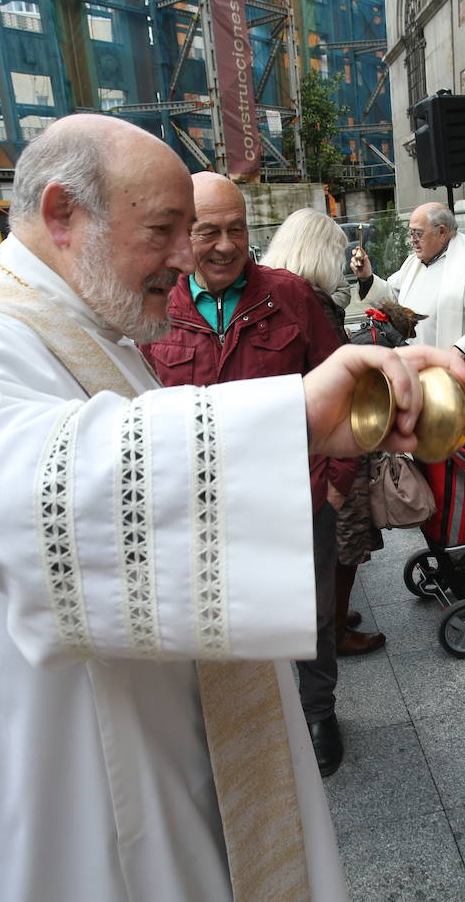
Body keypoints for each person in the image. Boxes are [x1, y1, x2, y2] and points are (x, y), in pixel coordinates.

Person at [0, 113, 465, 901]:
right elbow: (16, 498)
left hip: (148, 734)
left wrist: (322, 426)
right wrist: (287, 415)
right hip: (63, 771)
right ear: (63, 213)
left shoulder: (94, 319)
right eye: (165, 229)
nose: (187, 258)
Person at [140, 179, 359, 778]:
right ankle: (238, 721)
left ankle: (318, 713)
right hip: (198, 507)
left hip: (295, 498)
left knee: (311, 615)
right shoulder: (157, 306)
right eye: (209, 230)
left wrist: (333, 483)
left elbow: (349, 391)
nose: (226, 244)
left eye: (236, 228)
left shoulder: (290, 296)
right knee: (216, 619)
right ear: (184, 234)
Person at [261, 207, 386, 658]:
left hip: (296, 447)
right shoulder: (311, 302)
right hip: (330, 447)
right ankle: (332, 629)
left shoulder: (272, 297)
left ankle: (332, 615)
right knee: (340, 542)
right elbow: (336, 380)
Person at [351, 201, 465, 427]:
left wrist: (462, 350)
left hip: (457, 372)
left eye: (418, 233)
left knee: (461, 444)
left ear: (442, 232)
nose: (412, 240)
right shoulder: (414, 263)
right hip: (417, 375)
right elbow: (392, 299)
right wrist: (367, 277)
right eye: (410, 233)